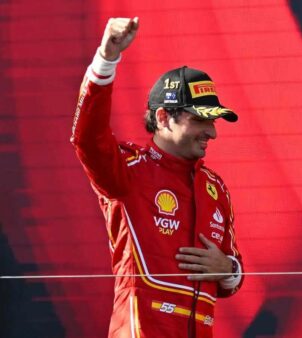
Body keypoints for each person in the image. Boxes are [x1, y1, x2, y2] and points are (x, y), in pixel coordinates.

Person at [71, 17, 243, 338]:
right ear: (163, 117)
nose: (212, 132)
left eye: (215, 121)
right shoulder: (127, 171)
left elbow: (232, 272)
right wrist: (107, 58)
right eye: (200, 120)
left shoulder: (216, 188)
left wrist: (229, 271)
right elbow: (86, 139)